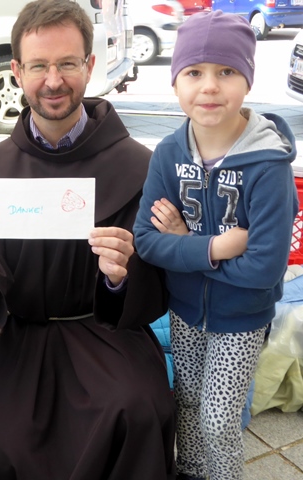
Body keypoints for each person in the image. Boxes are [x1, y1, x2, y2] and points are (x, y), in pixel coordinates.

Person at [0, 1, 176, 478]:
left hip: (107, 333)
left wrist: (119, 277)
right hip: (22, 335)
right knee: (10, 436)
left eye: (67, 63)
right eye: (39, 66)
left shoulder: (138, 167)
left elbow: (153, 283)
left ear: (90, 66)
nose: (53, 80)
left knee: (137, 408)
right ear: (16, 70)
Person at [133, 11, 299, 480]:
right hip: (184, 311)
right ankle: (188, 470)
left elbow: (264, 270)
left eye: (226, 72)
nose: (209, 87)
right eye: (194, 72)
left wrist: (183, 248)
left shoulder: (268, 167)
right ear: (175, 82)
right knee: (185, 400)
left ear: (247, 79)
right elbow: (147, 241)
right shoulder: (169, 154)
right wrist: (214, 247)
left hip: (242, 320)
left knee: (219, 417)